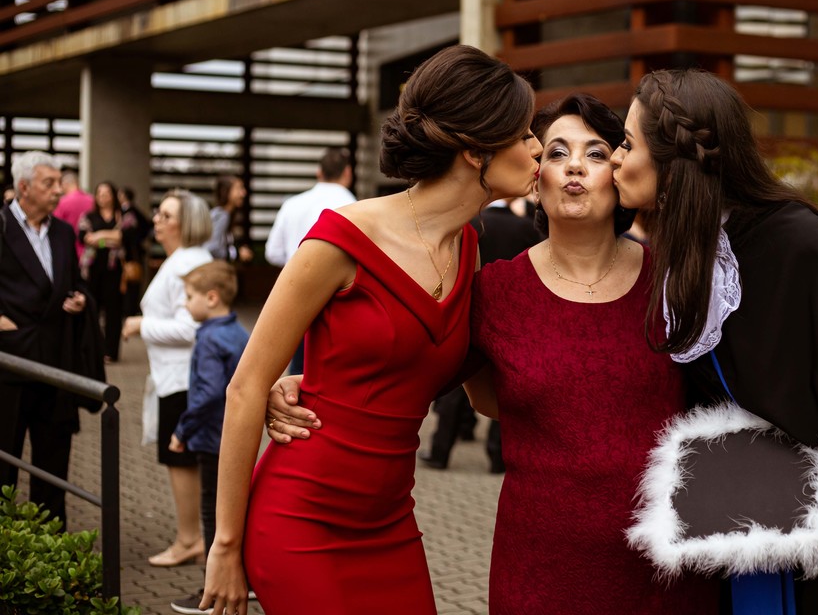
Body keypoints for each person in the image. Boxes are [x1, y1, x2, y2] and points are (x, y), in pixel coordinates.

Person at [268, 93, 718, 614]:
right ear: (535, 178)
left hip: (668, 563)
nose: (575, 165)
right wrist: (310, 383)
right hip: (540, 566)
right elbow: (422, 379)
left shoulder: (675, 281)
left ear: (619, 172)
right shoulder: (494, 292)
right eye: (556, 152)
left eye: (596, 153)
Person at [201, 45, 542, 615]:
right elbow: (245, 388)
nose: (537, 148)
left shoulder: (469, 248)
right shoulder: (341, 238)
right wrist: (225, 546)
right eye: (524, 133)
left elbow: (481, 394)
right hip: (301, 522)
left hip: (392, 524)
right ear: (474, 149)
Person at [610, 69, 818, 614]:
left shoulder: (800, 247)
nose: (614, 159)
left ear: (674, 163)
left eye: (627, 144)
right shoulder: (689, 254)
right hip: (747, 535)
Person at [121, 190, 214, 567]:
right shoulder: (183, 260)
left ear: (186, 223)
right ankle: (192, 537)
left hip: (183, 378)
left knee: (180, 458)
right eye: (158, 213)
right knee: (181, 458)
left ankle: (190, 540)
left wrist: (141, 325)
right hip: (176, 376)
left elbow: (191, 328)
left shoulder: (189, 263)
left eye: (166, 215)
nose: (156, 220)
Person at [419, 198, 542, 473]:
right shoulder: (525, 227)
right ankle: (498, 457)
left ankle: (440, 450)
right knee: (507, 383)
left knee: (458, 387)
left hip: (473, 309)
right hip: (514, 314)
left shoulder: (471, 225)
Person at [0, 152, 89, 526]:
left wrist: (81, 298)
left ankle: (53, 540)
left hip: (56, 361)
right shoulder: (1, 225)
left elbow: (75, 281)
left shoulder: (64, 232)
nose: (58, 190)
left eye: (58, 182)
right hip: (11, 364)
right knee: (4, 461)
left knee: (53, 464)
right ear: (24, 187)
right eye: (48, 183)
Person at [166, 261, 250, 615]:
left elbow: (209, 393)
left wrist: (182, 429)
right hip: (238, 438)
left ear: (211, 298)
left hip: (211, 439)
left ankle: (213, 592)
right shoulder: (240, 332)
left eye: (189, 297)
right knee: (236, 511)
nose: (185, 304)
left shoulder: (209, 338)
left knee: (214, 516)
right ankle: (245, 579)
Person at [264, 146, 356, 374]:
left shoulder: (292, 204)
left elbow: (272, 252)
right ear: (347, 173)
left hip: (294, 292)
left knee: (297, 369)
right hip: (337, 301)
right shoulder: (353, 205)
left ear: (319, 172)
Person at [79, 181, 125, 363]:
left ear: (113, 196)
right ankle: (93, 348)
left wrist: (99, 236)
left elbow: (123, 237)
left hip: (114, 270)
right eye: (99, 193)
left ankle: (110, 351)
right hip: (92, 270)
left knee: (114, 311)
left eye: (106, 193)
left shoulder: (121, 216)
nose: (102, 197)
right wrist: (109, 238)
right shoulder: (89, 216)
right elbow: (84, 238)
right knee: (93, 309)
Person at [117, 186, 153, 321]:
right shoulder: (135, 211)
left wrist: (135, 239)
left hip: (130, 253)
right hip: (134, 252)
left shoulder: (128, 212)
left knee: (131, 281)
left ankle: (129, 310)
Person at [204, 176, 253, 264]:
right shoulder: (222, 215)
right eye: (239, 188)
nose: (243, 193)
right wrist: (237, 254)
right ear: (226, 191)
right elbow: (212, 248)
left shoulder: (223, 214)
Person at [53, 170, 93, 259]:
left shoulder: (61, 203)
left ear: (65, 184)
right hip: (90, 252)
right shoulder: (92, 200)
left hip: (69, 250)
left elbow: (55, 227)